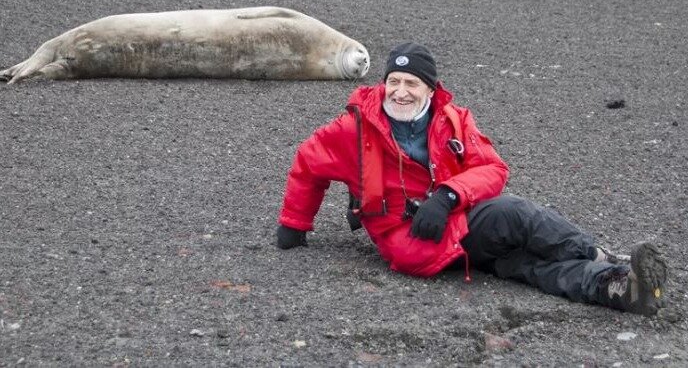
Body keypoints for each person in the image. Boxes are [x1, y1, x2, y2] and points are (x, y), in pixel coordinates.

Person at [276, 42, 668, 316]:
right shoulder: (355, 128)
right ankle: (599, 255)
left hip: (456, 225)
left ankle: (617, 287)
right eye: (393, 81)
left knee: (524, 266)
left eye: (411, 83)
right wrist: (293, 226)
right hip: (413, 241)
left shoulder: (454, 120)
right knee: (515, 216)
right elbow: (308, 165)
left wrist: (446, 196)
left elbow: (493, 169)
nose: (400, 91)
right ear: (383, 84)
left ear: (430, 88)